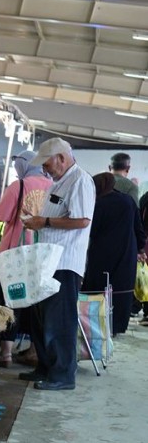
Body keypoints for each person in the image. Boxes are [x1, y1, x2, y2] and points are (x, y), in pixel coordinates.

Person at [18, 137, 94, 390]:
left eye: (47, 163)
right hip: (47, 259)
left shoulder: (80, 180)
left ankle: (62, 375)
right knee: (40, 317)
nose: (45, 169)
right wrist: (38, 221)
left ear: (61, 158)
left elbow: (82, 220)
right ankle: (45, 367)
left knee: (59, 320)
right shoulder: (58, 182)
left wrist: (45, 223)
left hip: (65, 261)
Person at [0, 149, 52, 367]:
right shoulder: (53, 185)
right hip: (42, 253)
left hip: (15, 253)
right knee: (37, 302)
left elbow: (0, 215)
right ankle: (34, 351)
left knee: (11, 300)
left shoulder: (19, 185)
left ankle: (5, 354)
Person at [85, 172, 145, 336]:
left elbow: (92, 231)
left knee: (98, 287)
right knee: (121, 289)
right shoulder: (128, 201)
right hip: (127, 253)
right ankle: (117, 326)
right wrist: (140, 248)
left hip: (102, 254)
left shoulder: (99, 203)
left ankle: (97, 325)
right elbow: (138, 227)